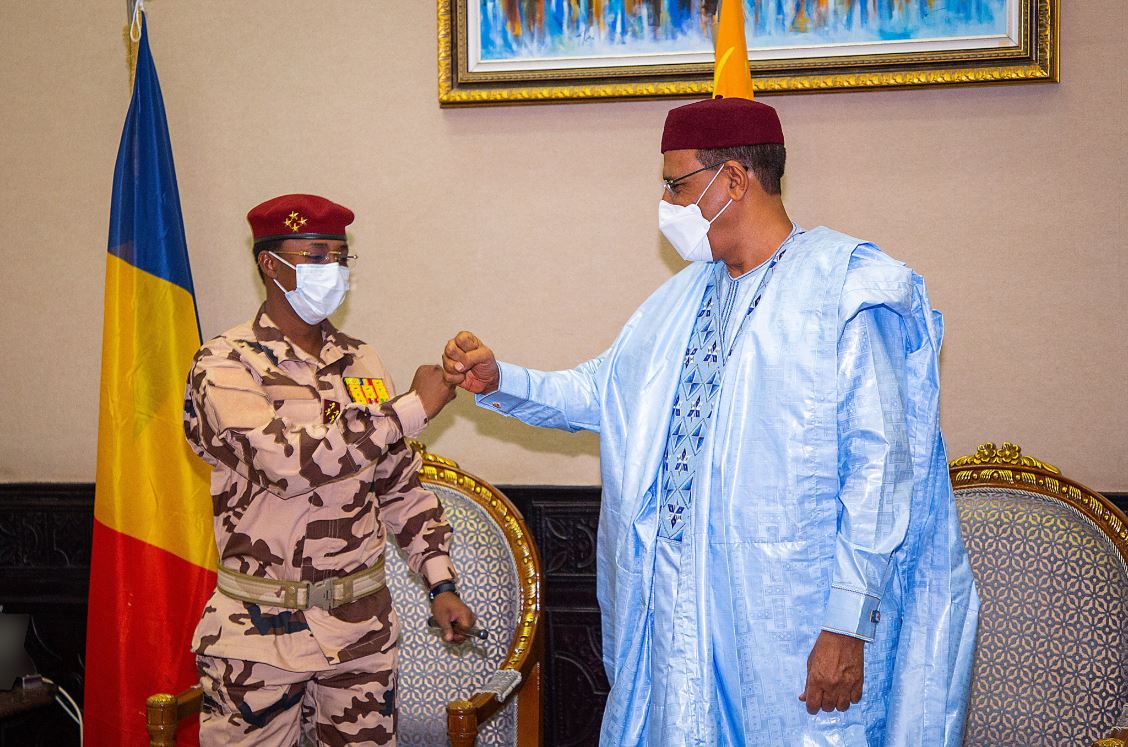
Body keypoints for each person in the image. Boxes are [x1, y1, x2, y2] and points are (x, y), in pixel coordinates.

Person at [442, 98, 979, 745]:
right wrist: (503, 380)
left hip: (791, 615)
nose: (667, 203)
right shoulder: (683, 299)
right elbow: (604, 390)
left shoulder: (845, 291)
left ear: (732, 180)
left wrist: (846, 624)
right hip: (676, 610)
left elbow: (882, 472)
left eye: (677, 184)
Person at [184, 194, 475, 746]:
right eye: (316, 256)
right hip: (259, 635)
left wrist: (440, 581)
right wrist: (413, 408)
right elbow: (284, 464)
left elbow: (396, 482)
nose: (333, 272)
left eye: (340, 258)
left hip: (360, 633)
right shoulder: (224, 363)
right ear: (271, 264)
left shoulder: (360, 360)